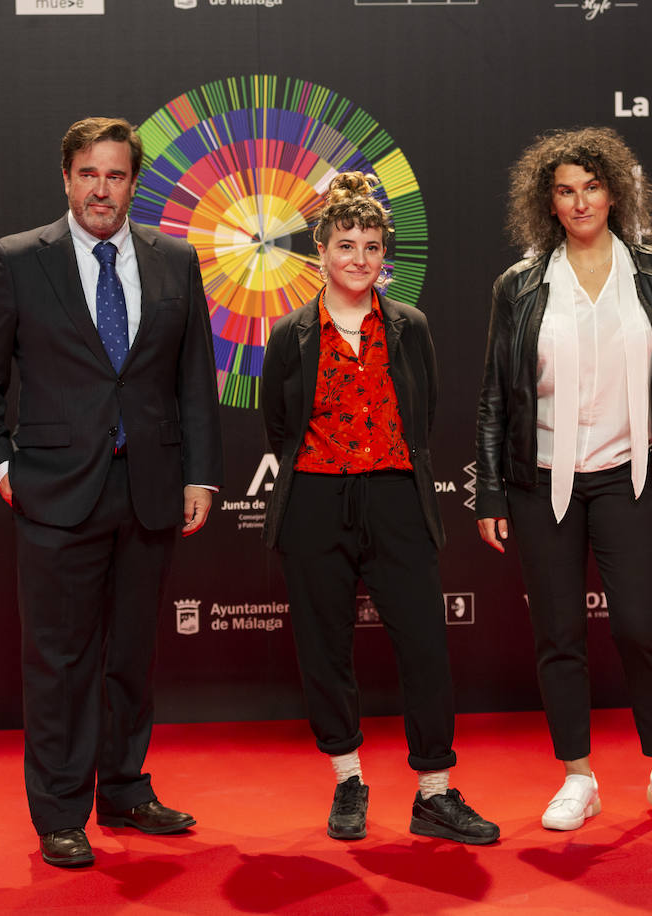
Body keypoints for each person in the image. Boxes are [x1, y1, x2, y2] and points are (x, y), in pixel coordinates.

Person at [0, 117, 223, 868]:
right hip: (54, 493)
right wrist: (6, 473)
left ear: (133, 183)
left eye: (115, 175)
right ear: (67, 178)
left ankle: (126, 790)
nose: (101, 189)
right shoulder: (17, 261)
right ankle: (60, 812)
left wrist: (200, 472)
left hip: (149, 488)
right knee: (60, 660)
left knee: (131, 655)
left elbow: (192, 378)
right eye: (88, 174)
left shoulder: (175, 261)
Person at [475, 127, 652, 834]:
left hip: (630, 477)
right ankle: (578, 776)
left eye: (591, 187)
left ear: (614, 192)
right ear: (548, 203)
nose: (580, 202)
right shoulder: (518, 285)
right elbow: (495, 395)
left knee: (641, 627)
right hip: (540, 480)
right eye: (565, 191)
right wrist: (490, 490)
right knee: (558, 634)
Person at [260, 172, 499, 845]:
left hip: (396, 494)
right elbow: (277, 423)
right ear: (321, 252)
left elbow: (425, 412)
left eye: (371, 246)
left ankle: (435, 792)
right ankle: (347, 780)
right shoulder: (290, 333)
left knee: (424, 644)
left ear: (383, 254)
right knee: (325, 649)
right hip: (313, 498)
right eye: (345, 244)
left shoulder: (409, 326)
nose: (359, 258)